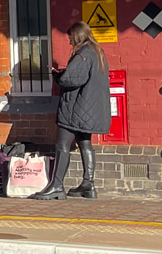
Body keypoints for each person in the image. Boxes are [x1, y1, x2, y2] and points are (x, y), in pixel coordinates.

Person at [33, 22, 111, 199]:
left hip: (75, 108)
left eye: (70, 38)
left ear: (76, 36)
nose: (69, 42)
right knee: (85, 144)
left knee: (62, 145)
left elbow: (70, 80)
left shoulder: (83, 54)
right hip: (90, 110)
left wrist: (56, 75)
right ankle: (88, 184)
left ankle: (57, 186)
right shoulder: (98, 52)